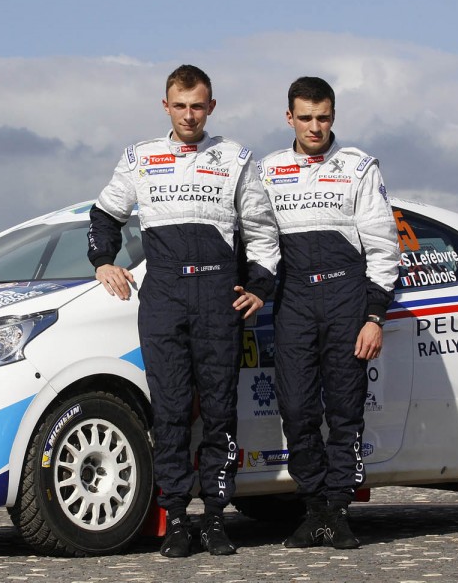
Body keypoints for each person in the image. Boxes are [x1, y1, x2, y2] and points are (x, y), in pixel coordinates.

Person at [87, 64, 279, 557]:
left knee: (219, 413)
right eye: (180, 105)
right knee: (170, 413)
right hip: (164, 298)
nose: (189, 115)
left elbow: (260, 229)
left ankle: (215, 517)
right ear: (166, 106)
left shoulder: (235, 157)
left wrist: (259, 285)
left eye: (198, 106)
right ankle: (174, 518)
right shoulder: (141, 157)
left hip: (218, 299)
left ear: (211, 107)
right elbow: (105, 213)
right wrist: (103, 262)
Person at [258, 76, 399, 549]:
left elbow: (383, 247)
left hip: (346, 300)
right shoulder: (269, 169)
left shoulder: (359, 166)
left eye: (322, 117)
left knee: (344, 412)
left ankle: (336, 509)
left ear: (333, 116)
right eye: (305, 118)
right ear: (289, 118)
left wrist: (373, 316)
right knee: (295, 408)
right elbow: (256, 240)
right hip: (294, 298)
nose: (314, 127)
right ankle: (313, 505)